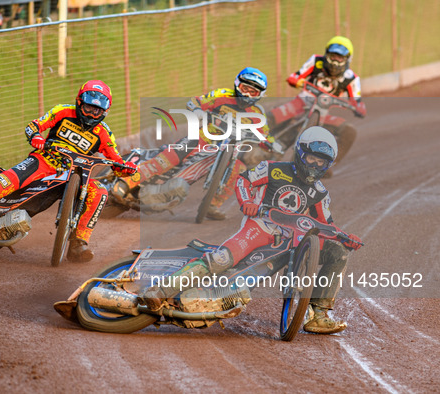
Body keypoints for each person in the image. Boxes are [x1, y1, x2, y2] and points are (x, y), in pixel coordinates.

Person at [141, 126, 363, 334]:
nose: (315, 166)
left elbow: (326, 224)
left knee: (337, 252)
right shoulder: (273, 169)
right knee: (221, 260)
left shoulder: (319, 192)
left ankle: (318, 315)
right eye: (312, 158)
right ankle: (159, 291)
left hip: (286, 245)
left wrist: (345, 237)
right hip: (258, 228)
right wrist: (247, 202)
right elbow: (243, 181)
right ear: (300, 153)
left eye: (322, 163)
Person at [0, 80, 137, 262]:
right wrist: (36, 137)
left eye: (97, 111)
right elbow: (34, 126)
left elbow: (116, 160)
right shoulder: (62, 111)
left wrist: (125, 168)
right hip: (44, 161)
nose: (91, 114)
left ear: (104, 112)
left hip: (75, 175)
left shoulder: (104, 133)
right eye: (87, 108)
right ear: (78, 102)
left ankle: (78, 244)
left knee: (100, 191)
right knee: (6, 182)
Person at [129, 67, 276, 220]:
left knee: (239, 168)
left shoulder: (257, 112)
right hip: (204, 137)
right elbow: (195, 101)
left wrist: (269, 143)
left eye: (253, 92)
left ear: (260, 95)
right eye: (245, 88)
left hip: (229, 149)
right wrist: (198, 110)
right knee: (186, 146)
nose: (247, 94)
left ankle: (212, 205)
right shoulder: (222, 94)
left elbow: (266, 133)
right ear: (237, 84)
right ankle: (132, 178)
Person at [268, 36, 366, 177]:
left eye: (340, 58)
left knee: (350, 132)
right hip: (301, 104)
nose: (335, 62)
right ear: (326, 54)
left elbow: (358, 101)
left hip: (324, 113)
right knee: (271, 117)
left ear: (348, 59)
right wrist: (296, 81)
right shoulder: (316, 61)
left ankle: (324, 166)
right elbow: (296, 76)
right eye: (332, 57)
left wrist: (358, 107)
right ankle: (246, 141)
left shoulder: (352, 79)